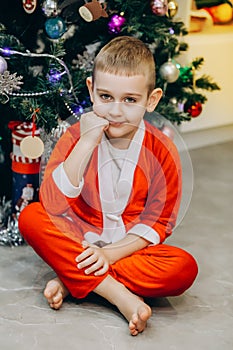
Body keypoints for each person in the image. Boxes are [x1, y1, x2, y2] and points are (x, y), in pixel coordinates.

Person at [18, 36, 198, 336]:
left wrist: (109, 255)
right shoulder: (76, 136)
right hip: (80, 237)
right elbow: (53, 203)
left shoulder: (162, 149)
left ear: (151, 100)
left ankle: (71, 277)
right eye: (105, 97)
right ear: (91, 90)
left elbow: (159, 222)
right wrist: (86, 143)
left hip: (128, 250)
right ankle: (117, 294)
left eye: (130, 100)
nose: (115, 112)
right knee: (31, 217)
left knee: (184, 268)